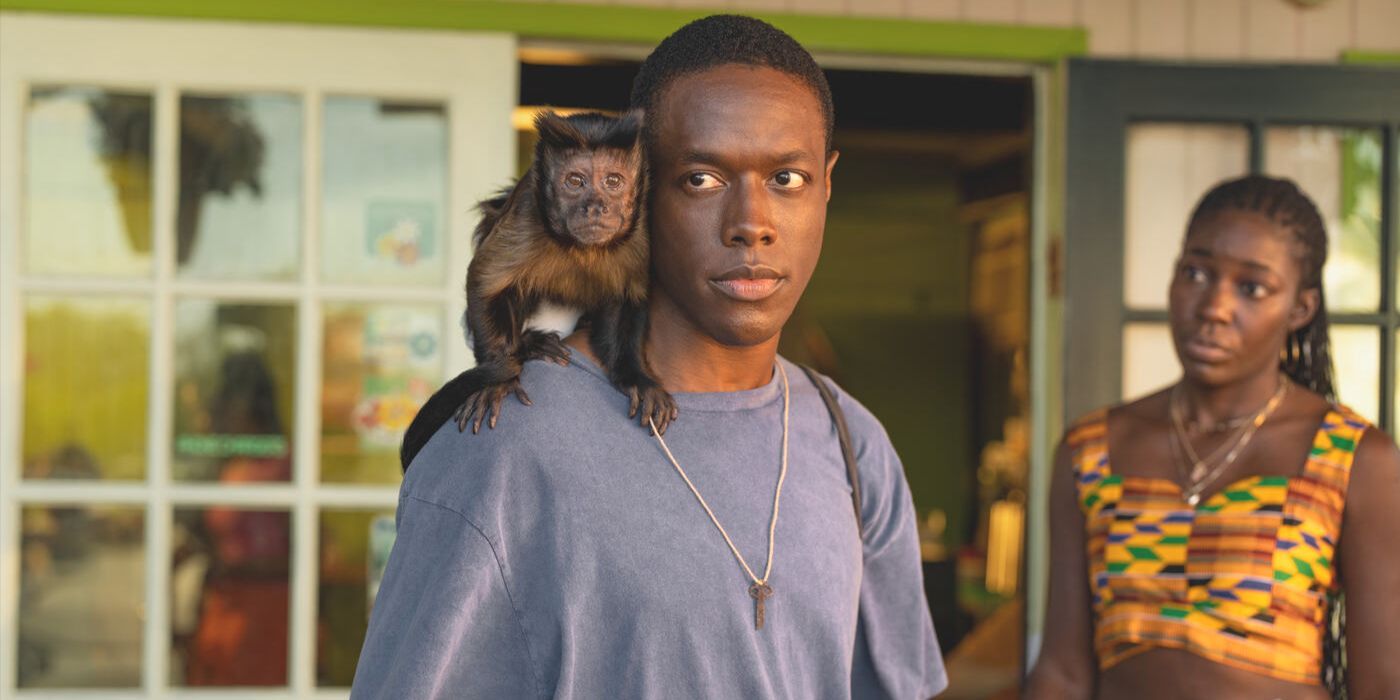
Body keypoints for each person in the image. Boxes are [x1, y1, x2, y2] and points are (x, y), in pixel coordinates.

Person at [350, 14, 946, 700]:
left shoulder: (852, 445)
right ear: (638, 192)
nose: (751, 222)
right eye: (701, 179)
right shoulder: (501, 448)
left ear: (827, 186)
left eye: (787, 177)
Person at [1026, 175, 1400, 699]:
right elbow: (1063, 670)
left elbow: (1384, 686)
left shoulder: (1355, 458)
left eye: (1252, 288)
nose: (1213, 308)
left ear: (1301, 308)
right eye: (1196, 273)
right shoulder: (1091, 448)